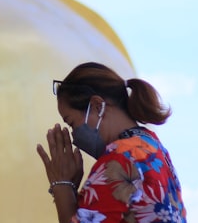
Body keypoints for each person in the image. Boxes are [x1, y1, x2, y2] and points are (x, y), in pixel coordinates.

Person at [35, 62, 186, 223]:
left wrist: (61, 184)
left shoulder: (119, 161)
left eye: (71, 123)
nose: (74, 135)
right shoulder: (153, 147)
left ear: (97, 106)